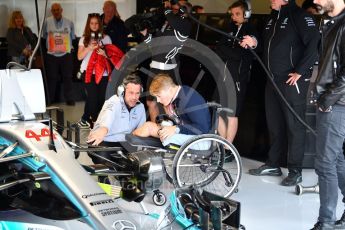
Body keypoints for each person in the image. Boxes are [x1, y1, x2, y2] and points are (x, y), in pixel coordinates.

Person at [247, 0, 320, 186]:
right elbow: (267, 48)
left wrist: (301, 71)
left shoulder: (300, 17)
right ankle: (273, 164)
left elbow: (314, 44)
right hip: (272, 81)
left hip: (291, 80)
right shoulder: (272, 19)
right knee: (275, 124)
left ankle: (295, 171)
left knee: (295, 127)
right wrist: (254, 43)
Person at [310, 0, 345, 229]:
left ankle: (326, 222)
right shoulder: (331, 23)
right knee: (337, 160)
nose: (315, 1)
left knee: (324, 163)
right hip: (336, 102)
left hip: (337, 104)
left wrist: (326, 100)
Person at [138, 0, 192, 122]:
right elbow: (153, 46)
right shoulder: (167, 23)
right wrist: (145, 35)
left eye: (178, 5)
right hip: (154, 67)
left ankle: (174, 130)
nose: (174, 6)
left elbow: (173, 19)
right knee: (151, 101)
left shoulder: (185, 25)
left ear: (184, 10)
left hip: (168, 70)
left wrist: (167, 8)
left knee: (168, 103)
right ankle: (156, 131)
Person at [215, 0, 258, 143]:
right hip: (223, 76)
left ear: (246, 13)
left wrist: (227, 50)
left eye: (237, 14)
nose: (234, 17)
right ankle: (222, 145)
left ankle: (228, 148)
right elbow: (219, 48)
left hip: (238, 78)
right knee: (218, 111)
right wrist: (230, 50)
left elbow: (240, 55)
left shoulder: (251, 30)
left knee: (232, 114)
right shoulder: (229, 28)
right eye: (232, 14)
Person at [133, 73, 211, 149]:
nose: (158, 100)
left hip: (201, 141)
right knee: (148, 126)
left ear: (169, 90)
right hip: (188, 135)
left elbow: (202, 128)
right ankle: (128, 144)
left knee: (166, 138)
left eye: (159, 96)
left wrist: (176, 128)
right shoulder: (177, 97)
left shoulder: (189, 98)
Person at [86, 74, 145, 165]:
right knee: (103, 159)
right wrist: (103, 129)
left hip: (125, 142)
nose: (134, 97)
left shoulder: (140, 107)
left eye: (137, 93)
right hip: (103, 139)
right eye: (131, 93)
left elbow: (141, 132)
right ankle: (103, 177)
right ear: (122, 91)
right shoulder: (113, 102)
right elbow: (107, 118)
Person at [76, 13, 114, 129]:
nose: (94, 25)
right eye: (91, 23)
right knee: (92, 98)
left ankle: (85, 119)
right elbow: (79, 57)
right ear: (88, 24)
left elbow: (112, 57)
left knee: (101, 98)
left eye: (96, 23)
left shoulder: (106, 38)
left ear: (100, 24)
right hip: (88, 72)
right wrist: (89, 48)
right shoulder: (84, 39)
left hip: (103, 73)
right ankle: (95, 124)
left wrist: (105, 54)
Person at [42, 3, 76, 105]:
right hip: (51, 55)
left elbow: (73, 37)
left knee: (68, 77)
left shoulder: (69, 22)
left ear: (61, 10)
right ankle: (50, 99)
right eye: (54, 10)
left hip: (66, 54)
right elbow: (44, 36)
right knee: (51, 78)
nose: (56, 12)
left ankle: (69, 99)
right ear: (52, 11)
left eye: (58, 10)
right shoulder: (47, 22)